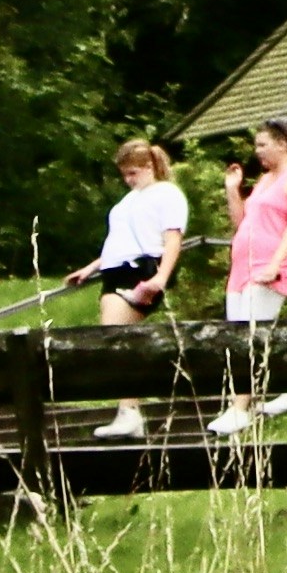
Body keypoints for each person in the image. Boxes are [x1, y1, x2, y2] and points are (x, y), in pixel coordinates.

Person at [212, 116, 287, 435]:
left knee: (251, 335)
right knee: (239, 335)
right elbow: (242, 221)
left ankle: (239, 408)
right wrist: (233, 190)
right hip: (243, 267)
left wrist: (275, 262)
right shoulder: (264, 180)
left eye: (262, 145)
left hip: (271, 266)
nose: (257, 151)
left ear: (282, 143)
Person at [81, 136, 187, 439]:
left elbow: (172, 238)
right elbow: (120, 239)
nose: (128, 180)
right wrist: (92, 267)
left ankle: (129, 412)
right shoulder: (129, 201)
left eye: (134, 173)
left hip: (139, 270)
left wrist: (161, 277)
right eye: (124, 174)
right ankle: (128, 410)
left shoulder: (166, 193)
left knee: (113, 335)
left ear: (149, 166)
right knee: (115, 337)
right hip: (115, 271)